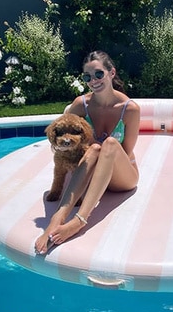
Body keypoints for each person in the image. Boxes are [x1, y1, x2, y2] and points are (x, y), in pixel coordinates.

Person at [35, 50, 140, 254]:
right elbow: (60, 130)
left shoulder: (129, 109)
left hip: (123, 178)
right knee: (94, 148)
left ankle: (79, 220)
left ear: (111, 73)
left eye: (99, 74)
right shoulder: (80, 104)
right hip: (93, 173)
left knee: (107, 144)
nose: (93, 80)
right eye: (87, 77)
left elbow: (126, 152)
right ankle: (57, 218)